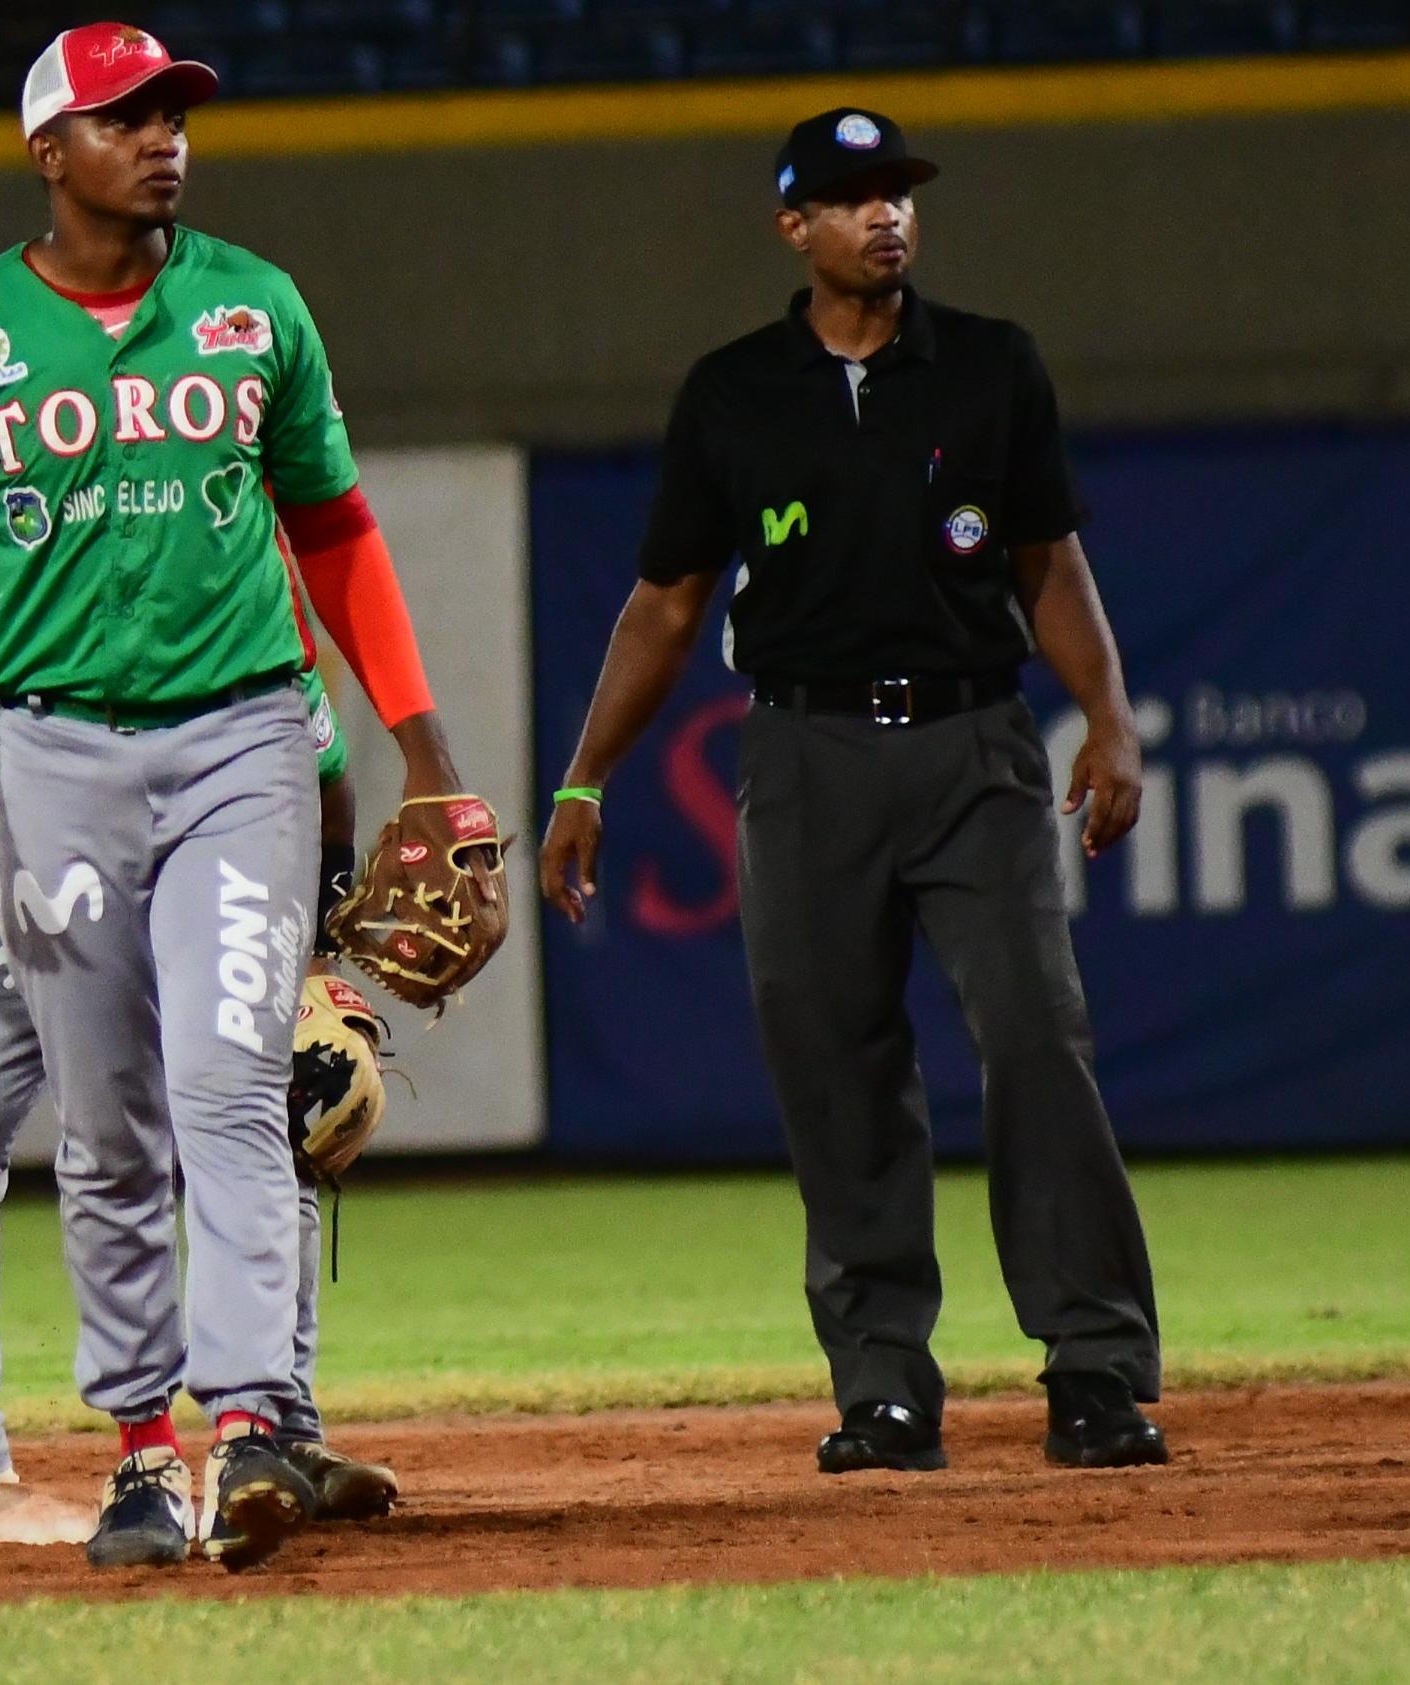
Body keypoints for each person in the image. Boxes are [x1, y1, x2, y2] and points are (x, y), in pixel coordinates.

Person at [0, 22, 479, 1570]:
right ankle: (144, 1447)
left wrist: (422, 748)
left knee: (226, 1082)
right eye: (125, 117)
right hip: (55, 754)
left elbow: (336, 534)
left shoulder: (254, 306)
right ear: (49, 152)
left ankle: (259, 1416)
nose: (164, 138)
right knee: (107, 1124)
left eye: (174, 114)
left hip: (244, 739)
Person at [535, 109, 1167, 1476]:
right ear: (794, 227)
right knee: (839, 1069)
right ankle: (884, 1386)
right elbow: (663, 603)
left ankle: (1097, 1372)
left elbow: (1047, 565)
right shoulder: (733, 391)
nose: (885, 215)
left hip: (974, 746)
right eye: (851, 196)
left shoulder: (992, 367)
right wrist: (584, 779)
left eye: (897, 194)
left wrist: (1108, 721)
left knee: (1037, 1040)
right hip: (804, 756)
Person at [0, 664, 401, 1567]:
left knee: (253, 1139)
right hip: (29, 919)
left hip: (193, 909)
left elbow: (328, 782)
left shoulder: (223, 619)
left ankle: (282, 1429)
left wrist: (308, 941)